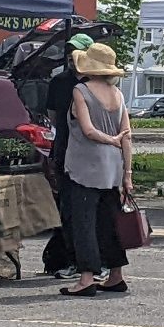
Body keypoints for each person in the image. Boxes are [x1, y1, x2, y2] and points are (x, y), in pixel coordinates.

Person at [61, 43, 132, 297]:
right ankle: (116, 275)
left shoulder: (81, 90)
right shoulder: (118, 94)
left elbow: (88, 129)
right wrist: (127, 174)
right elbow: (127, 135)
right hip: (113, 168)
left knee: (84, 222)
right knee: (109, 223)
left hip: (85, 167)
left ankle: (86, 278)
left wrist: (108, 139)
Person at [43, 33, 94, 279]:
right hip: (65, 147)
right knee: (68, 207)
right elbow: (53, 117)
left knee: (94, 208)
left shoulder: (97, 83)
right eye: (70, 53)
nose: (73, 57)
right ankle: (72, 259)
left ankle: (95, 261)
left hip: (91, 151)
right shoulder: (59, 82)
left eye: (78, 52)